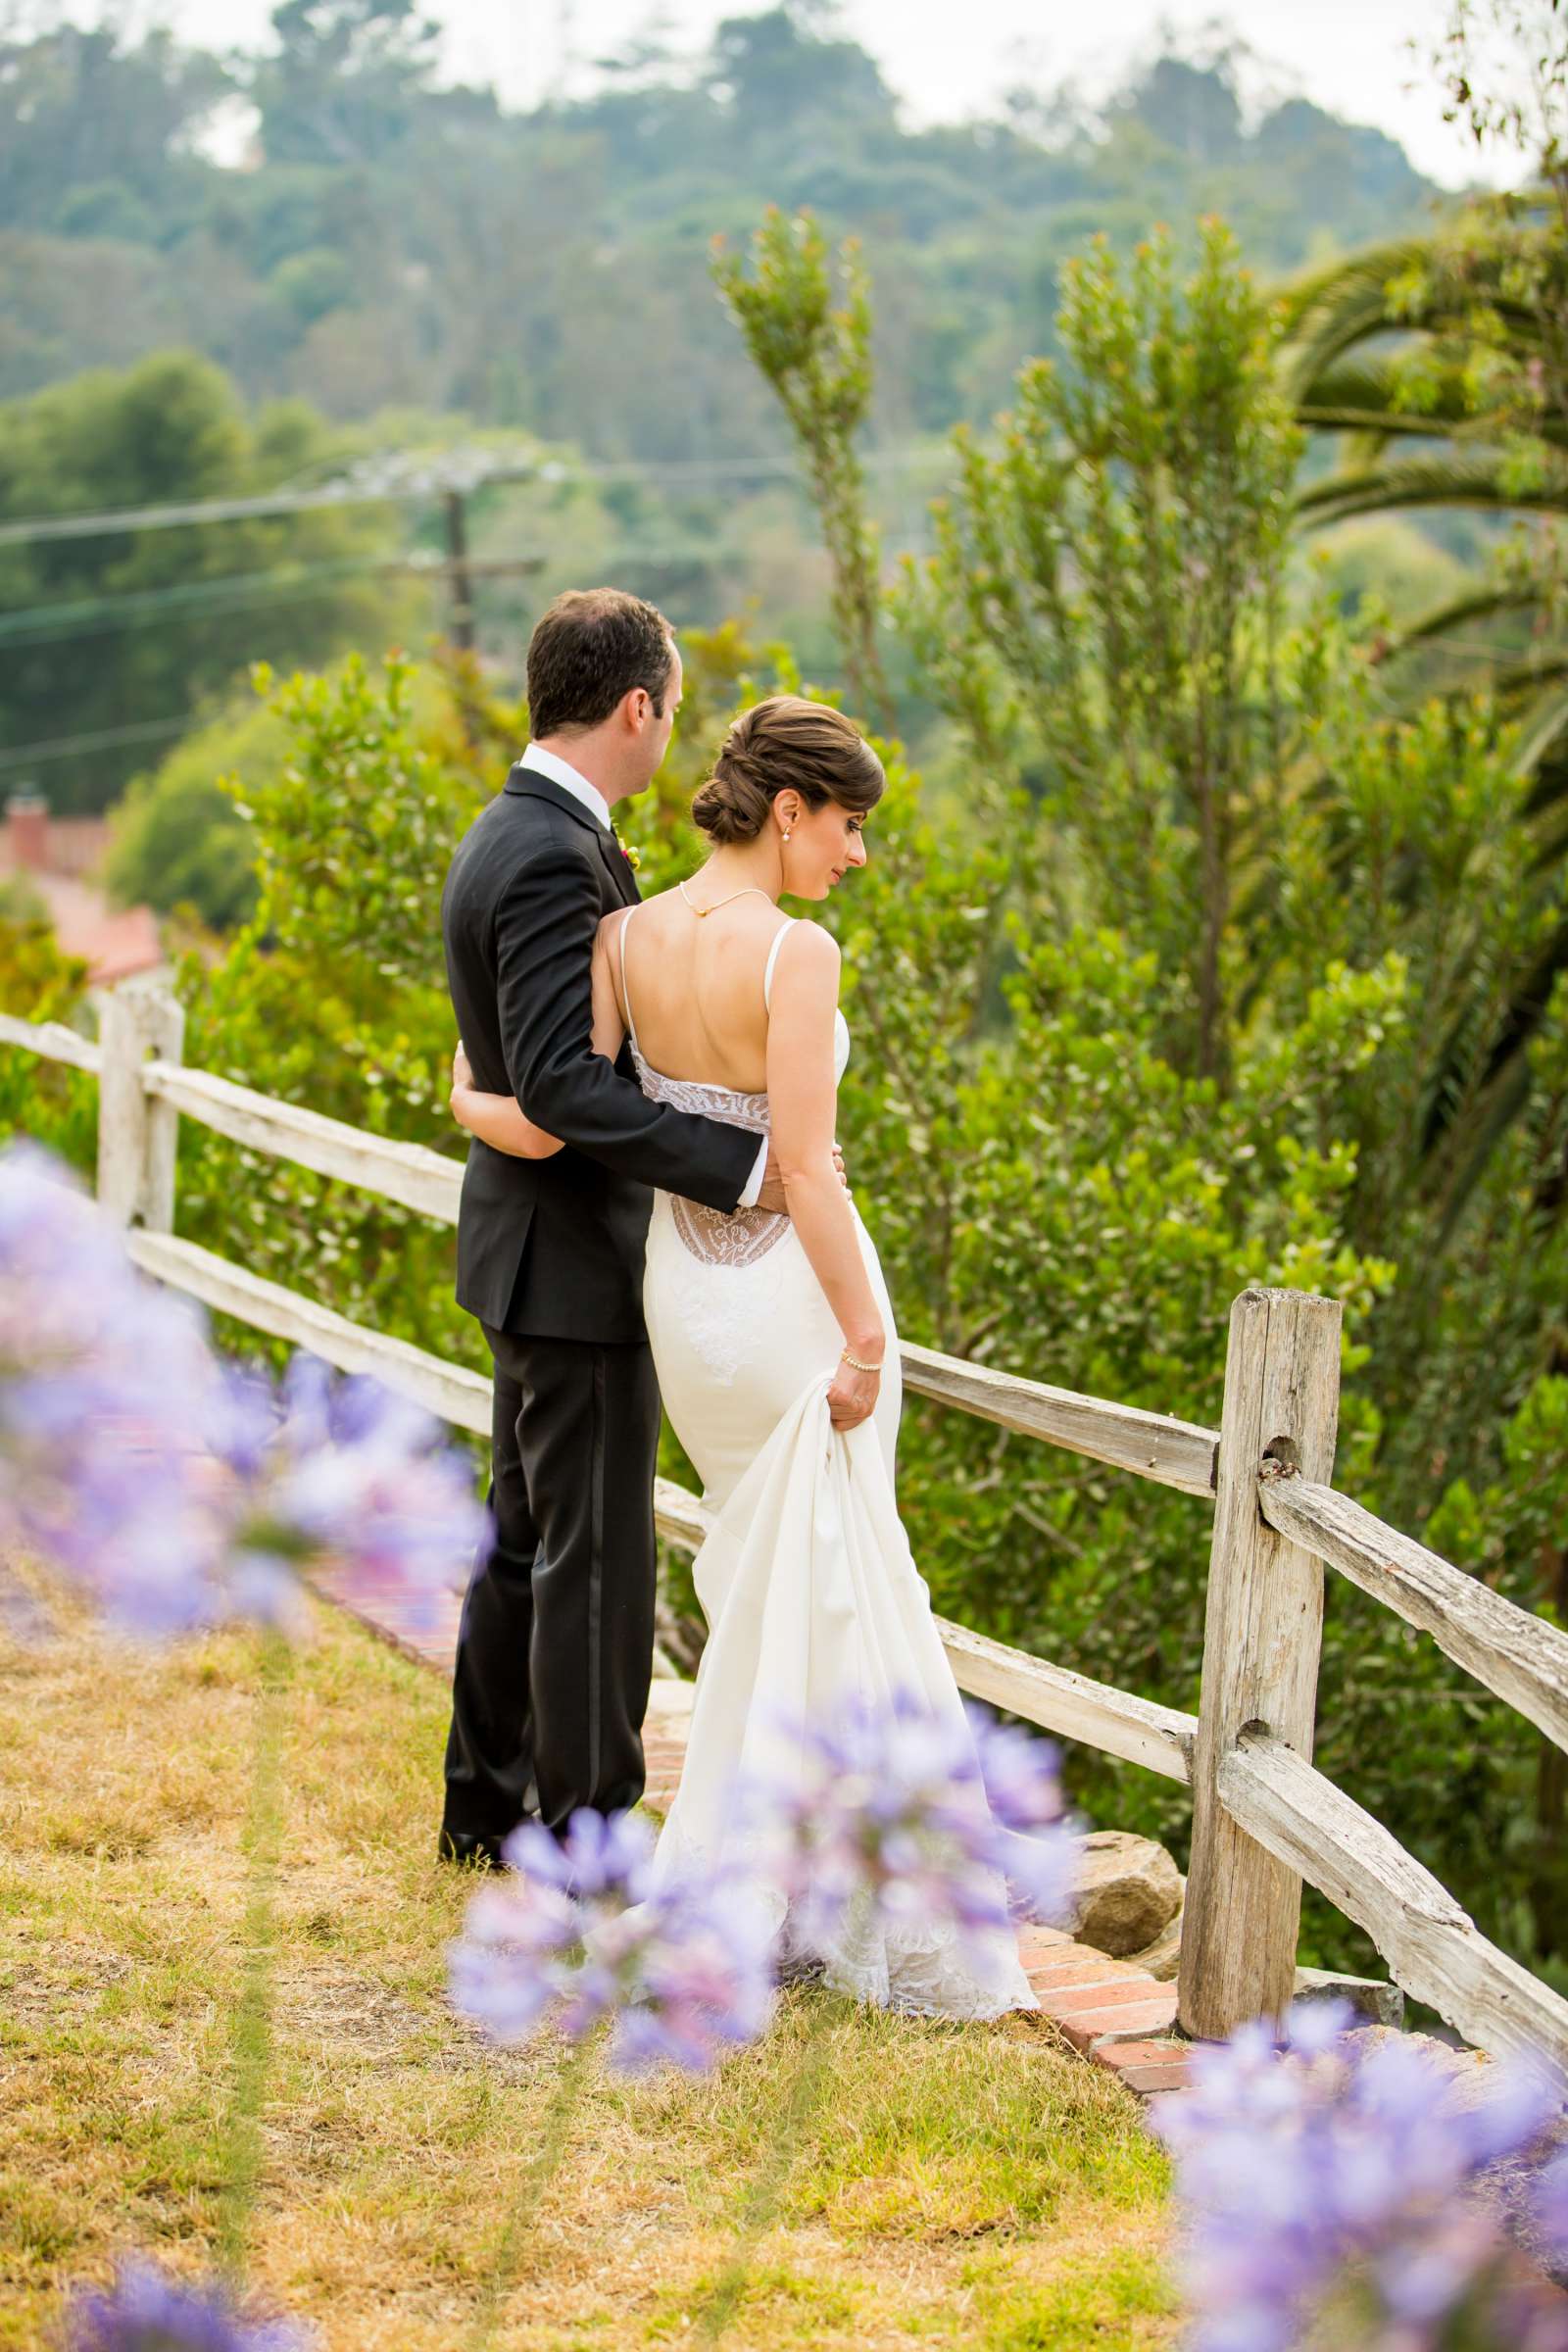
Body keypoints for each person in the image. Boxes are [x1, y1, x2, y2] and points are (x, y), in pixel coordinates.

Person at [451, 692, 1034, 2019]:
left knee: (762, 1577)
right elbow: (810, 1170)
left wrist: (464, 1097)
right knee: (842, 1576)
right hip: (787, 1296)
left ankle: (763, 1877)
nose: (857, 854)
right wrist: (873, 1335)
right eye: (850, 824)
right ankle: (845, 1895)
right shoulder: (797, 952)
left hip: (683, 1301)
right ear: (789, 810)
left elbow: (556, 1115)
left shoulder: (622, 932)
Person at [438, 588, 793, 1866]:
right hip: (575, 1258)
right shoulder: (548, 850)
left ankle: (484, 1809)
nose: (670, 742)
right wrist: (744, 1163)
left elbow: (509, 1069)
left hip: (523, 1250)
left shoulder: (509, 829)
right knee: (594, 1562)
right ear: (636, 706)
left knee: (526, 1541)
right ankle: (587, 1843)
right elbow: (563, 1085)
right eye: (671, 715)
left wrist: (478, 1095)